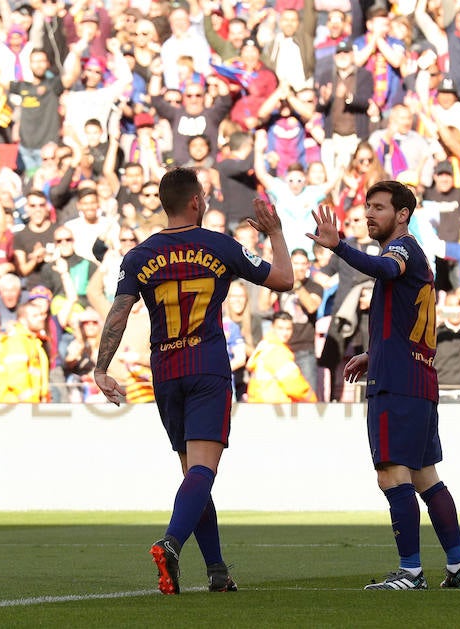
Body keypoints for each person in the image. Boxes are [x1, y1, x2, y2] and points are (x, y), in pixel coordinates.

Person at [93, 168, 294, 595]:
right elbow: (284, 280)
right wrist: (276, 233)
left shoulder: (140, 255)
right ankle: (171, 542)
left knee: (192, 475)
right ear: (194, 202)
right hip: (206, 367)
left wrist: (100, 368)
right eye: (202, 195)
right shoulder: (219, 246)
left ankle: (218, 572)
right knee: (203, 470)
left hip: (165, 371)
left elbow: (119, 313)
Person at [308, 182, 460, 590]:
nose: (370, 214)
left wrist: (340, 247)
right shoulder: (412, 254)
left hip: (398, 383)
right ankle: (457, 567)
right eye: (367, 206)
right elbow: (405, 318)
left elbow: (386, 269)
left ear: (402, 214)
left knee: (391, 474)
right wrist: (374, 352)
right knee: (425, 477)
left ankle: (411, 572)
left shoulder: (402, 249)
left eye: (379, 207)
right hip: (415, 378)